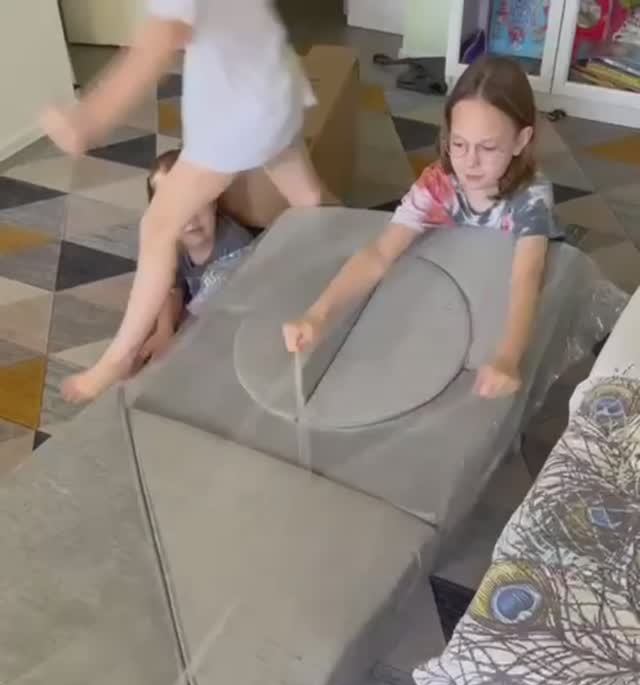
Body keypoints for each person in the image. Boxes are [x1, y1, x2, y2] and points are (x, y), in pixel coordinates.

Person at [40, 0, 325, 402]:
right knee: (309, 200)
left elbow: (162, 36)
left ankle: (118, 357)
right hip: (276, 88)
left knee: (158, 227)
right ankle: (335, 283)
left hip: (240, 112)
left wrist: (89, 120)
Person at [283, 55, 563, 399]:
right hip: (454, 294)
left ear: (521, 141)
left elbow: (526, 278)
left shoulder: (531, 196)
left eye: (488, 147)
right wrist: (317, 316)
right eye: (458, 144)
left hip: (505, 302)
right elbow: (379, 253)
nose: (470, 162)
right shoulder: (438, 186)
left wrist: (507, 357)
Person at [131, 148, 255, 373]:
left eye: (196, 202)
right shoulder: (171, 241)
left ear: (214, 201)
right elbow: (169, 285)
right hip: (199, 314)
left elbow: (209, 320)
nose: (189, 217)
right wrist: (164, 330)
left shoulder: (235, 249)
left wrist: (171, 341)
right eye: (173, 206)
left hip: (229, 326)